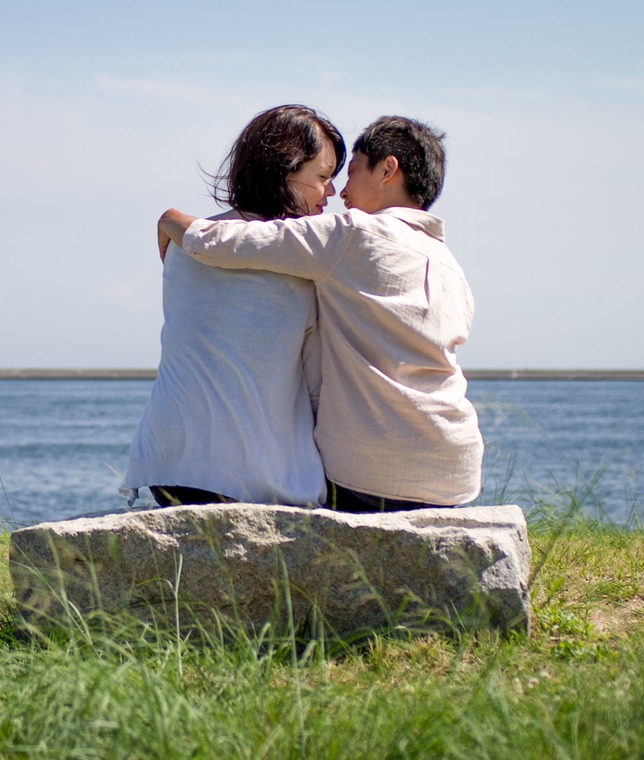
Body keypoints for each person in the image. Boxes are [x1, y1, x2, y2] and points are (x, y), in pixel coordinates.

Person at [157, 115, 482, 511]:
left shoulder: (351, 234)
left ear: (388, 169)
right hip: (457, 475)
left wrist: (174, 221)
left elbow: (235, 241)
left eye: (353, 171)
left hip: (370, 475)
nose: (340, 192)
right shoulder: (452, 267)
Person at [124, 104, 346, 507]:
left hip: (167, 467)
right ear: (285, 169)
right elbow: (318, 390)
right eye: (323, 177)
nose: (331, 192)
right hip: (253, 479)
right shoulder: (300, 259)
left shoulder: (187, 240)